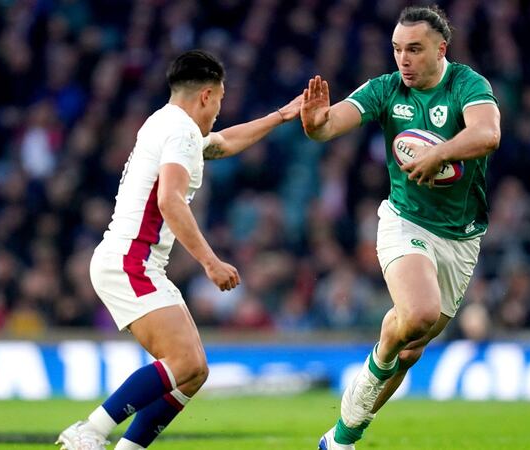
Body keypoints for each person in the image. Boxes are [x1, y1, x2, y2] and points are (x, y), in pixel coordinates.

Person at [56, 50, 301, 450]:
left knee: (194, 371)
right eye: (220, 101)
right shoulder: (182, 131)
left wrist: (280, 116)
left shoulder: (165, 122)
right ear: (206, 95)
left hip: (131, 260)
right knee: (185, 363)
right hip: (131, 261)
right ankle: (89, 431)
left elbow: (221, 144)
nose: (219, 111)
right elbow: (171, 200)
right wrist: (211, 261)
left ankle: (127, 447)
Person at [300, 6, 500, 449]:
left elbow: (487, 135)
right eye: (396, 49)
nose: (403, 59)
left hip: (461, 237)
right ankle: (372, 373)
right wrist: (317, 126)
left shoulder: (467, 85)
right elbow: (333, 122)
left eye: (414, 49)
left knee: (410, 347)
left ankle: (341, 438)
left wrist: (440, 153)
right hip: (404, 221)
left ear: (440, 49)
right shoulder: (386, 89)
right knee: (421, 314)